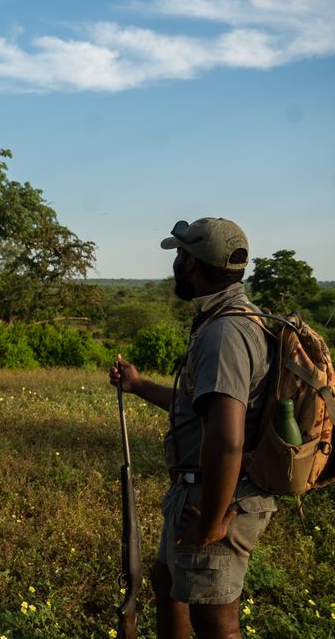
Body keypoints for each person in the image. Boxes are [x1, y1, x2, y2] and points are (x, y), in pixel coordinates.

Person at [109, 217, 277, 639]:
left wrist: (211, 524)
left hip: (215, 499)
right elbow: (201, 409)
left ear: (194, 264)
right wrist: (139, 385)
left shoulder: (225, 332)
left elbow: (225, 440)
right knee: (171, 592)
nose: (177, 262)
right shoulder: (225, 320)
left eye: (182, 254)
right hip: (195, 495)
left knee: (215, 622)